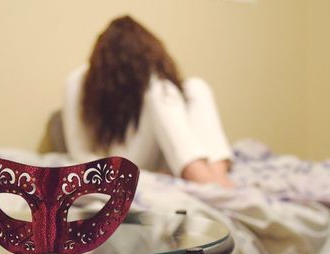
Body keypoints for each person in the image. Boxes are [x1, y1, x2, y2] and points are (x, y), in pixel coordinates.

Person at [63, 15, 233, 187]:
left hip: (170, 158)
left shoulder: (151, 83)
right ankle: (200, 176)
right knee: (159, 89)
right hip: (124, 162)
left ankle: (214, 174)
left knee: (196, 86)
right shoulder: (78, 81)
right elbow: (79, 152)